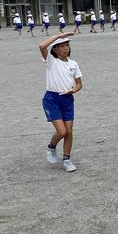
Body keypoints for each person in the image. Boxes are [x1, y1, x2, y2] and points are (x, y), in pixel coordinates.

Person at [39, 32, 82, 172]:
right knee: (61, 131)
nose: (65, 48)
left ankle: (67, 159)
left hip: (67, 100)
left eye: (67, 45)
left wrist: (73, 90)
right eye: (61, 46)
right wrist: (59, 35)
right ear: (55, 49)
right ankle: (51, 147)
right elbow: (41, 45)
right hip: (52, 99)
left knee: (69, 132)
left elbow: (79, 84)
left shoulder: (73, 64)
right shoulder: (51, 61)